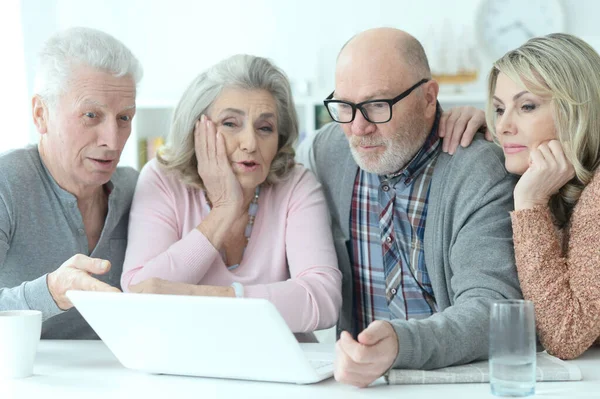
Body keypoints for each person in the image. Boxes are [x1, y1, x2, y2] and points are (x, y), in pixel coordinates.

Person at [298, 27, 522, 387]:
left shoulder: (478, 169)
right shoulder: (327, 154)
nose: (358, 127)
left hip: (452, 385)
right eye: (344, 106)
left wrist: (401, 345)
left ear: (429, 97)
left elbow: (493, 309)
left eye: (376, 105)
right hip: (358, 385)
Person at [120, 54, 342, 334]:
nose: (250, 143)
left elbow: (322, 299)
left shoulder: (296, 185)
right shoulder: (163, 179)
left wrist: (212, 298)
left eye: (265, 128)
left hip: (277, 365)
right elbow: (138, 294)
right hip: (182, 363)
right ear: (196, 129)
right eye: (230, 123)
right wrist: (224, 209)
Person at [462, 33, 599, 360]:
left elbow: (566, 336)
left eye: (527, 106)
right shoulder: (556, 182)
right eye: (498, 109)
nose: (503, 126)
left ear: (577, 110)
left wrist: (529, 205)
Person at [0, 27, 142, 338]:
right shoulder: (6, 184)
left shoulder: (136, 188)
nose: (113, 140)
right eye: (91, 115)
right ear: (41, 115)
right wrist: (53, 291)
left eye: (124, 118)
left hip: (120, 376)